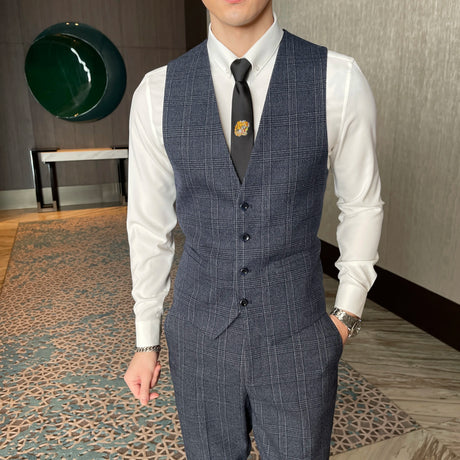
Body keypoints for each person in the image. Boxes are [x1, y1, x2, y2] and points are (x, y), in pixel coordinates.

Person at [124, 0, 383, 458]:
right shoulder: (156, 92)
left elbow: (361, 203)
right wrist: (147, 340)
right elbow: (148, 225)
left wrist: (346, 316)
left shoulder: (338, 79)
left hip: (298, 335)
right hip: (199, 336)